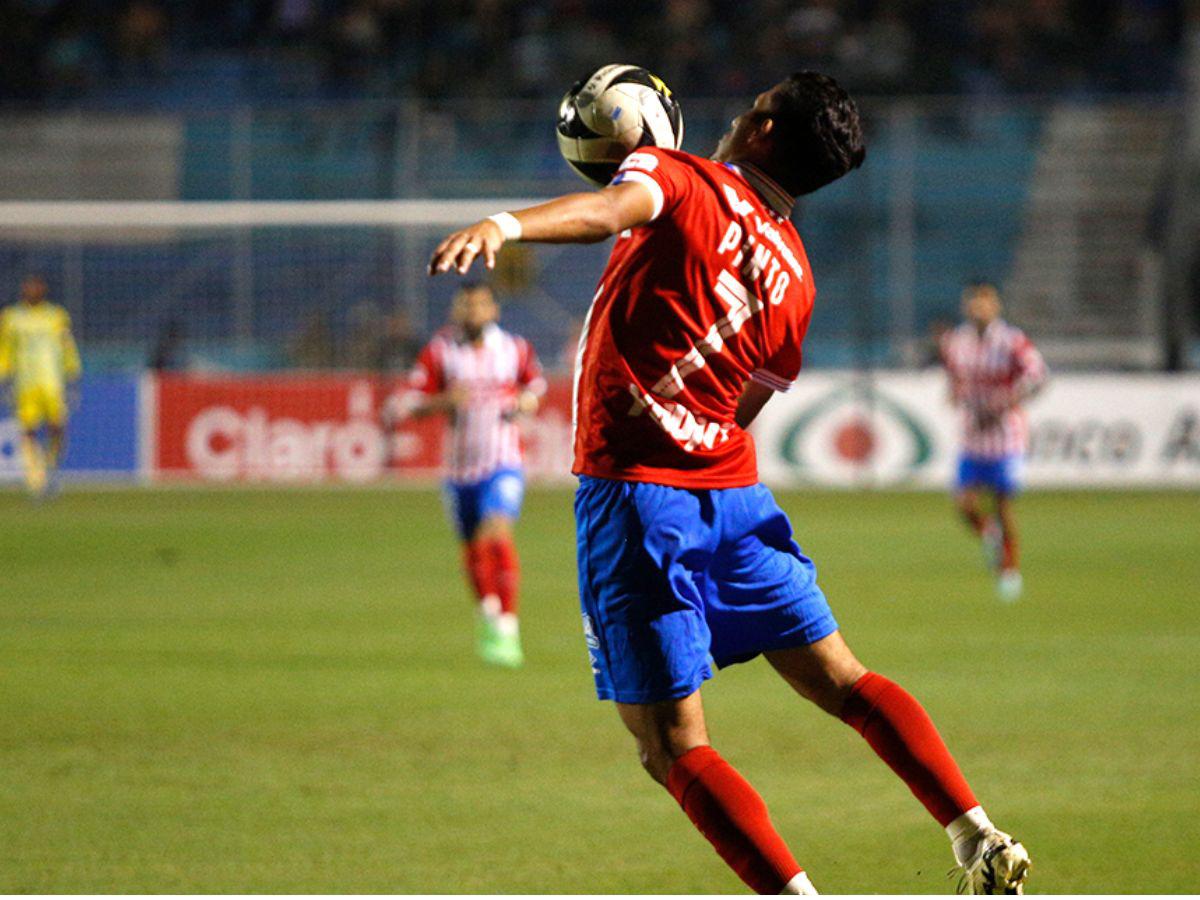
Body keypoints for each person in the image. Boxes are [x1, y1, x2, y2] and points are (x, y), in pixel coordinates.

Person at [428, 72, 1030, 894]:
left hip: (638, 497)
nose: (737, 112)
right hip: (735, 498)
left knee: (672, 747)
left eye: (751, 106)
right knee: (845, 681)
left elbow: (608, 211)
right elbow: (743, 403)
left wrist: (503, 225)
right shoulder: (797, 274)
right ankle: (977, 832)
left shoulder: (683, 177)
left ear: (765, 129)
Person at [402, 283, 545, 668]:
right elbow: (412, 403)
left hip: (503, 463)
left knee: (496, 531)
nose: (474, 311)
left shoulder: (514, 348)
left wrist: (526, 403)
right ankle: (487, 612)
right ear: (455, 311)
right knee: (472, 549)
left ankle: (508, 626)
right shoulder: (439, 352)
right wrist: (445, 401)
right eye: (466, 305)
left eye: (481, 304)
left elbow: (535, 386)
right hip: (458, 470)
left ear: (494, 310)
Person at [940, 282, 1046, 602]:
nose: (978, 308)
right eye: (974, 302)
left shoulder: (1012, 341)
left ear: (995, 306)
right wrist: (955, 394)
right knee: (964, 503)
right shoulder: (957, 342)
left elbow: (1037, 376)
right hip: (973, 434)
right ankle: (990, 535)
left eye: (985, 302)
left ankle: (1009, 571)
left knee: (1002, 505)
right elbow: (955, 377)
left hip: (1004, 436)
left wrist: (1008, 401)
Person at [0, 275, 81, 498]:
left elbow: (67, 346)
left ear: (43, 289)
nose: (32, 290)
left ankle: (51, 468)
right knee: (28, 431)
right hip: (25, 385)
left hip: (52, 383)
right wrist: (4, 377)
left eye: (36, 286)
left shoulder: (56, 316)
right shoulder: (11, 317)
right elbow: (5, 349)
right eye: (28, 286)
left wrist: (73, 374)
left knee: (57, 428)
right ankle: (36, 481)